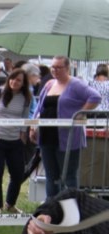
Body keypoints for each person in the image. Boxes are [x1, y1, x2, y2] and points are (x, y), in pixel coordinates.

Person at [29, 55, 100, 200]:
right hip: (47, 136)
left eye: (59, 67)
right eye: (53, 67)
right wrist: (33, 126)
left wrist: (80, 114)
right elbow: (40, 107)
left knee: (69, 175)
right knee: (51, 175)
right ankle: (52, 207)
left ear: (67, 68)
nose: (55, 70)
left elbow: (95, 97)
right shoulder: (49, 84)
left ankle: (72, 206)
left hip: (67, 138)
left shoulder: (76, 84)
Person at [0, 68, 32, 213]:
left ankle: (10, 204)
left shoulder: (26, 98)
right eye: (12, 78)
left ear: (23, 83)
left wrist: (22, 137)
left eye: (18, 80)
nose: (14, 82)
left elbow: (25, 117)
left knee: (17, 174)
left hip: (15, 141)